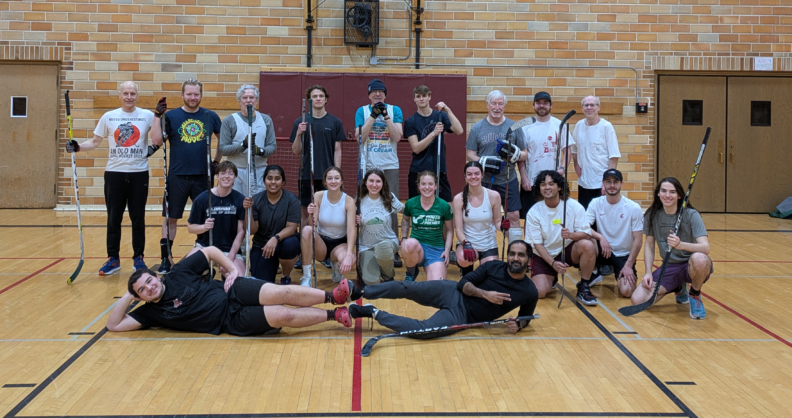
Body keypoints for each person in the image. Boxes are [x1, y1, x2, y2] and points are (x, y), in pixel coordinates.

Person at [106, 247, 358, 334]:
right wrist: (129, 294)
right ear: (140, 297)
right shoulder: (150, 313)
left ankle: (332, 297)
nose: (149, 288)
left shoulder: (178, 273)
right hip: (229, 321)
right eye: (142, 290)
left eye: (149, 281)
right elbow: (113, 326)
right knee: (284, 315)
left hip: (233, 291)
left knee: (282, 293)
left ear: (155, 276)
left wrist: (233, 271)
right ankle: (334, 316)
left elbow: (210, 251)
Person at [347, 240, 539, 338]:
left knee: (423, 331)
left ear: (528, 259)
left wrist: (519, 326)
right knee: (408, 287)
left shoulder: (530, 291)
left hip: (462, 317)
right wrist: (485, 294)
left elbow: (526, 318)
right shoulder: (493, 267)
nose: (515, 258)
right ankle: (361, 293)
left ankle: (372, 312)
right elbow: (464, 284)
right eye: (512, 254)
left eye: (520, 255)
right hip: (451, 291)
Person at [65, 81, 157, 275]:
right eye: (126, 93)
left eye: (132, 93)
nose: (129, 97)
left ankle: (138, 258)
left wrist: (152, 149)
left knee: (137, 217)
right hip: (114, 173)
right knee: (113, 218)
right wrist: (78, 146)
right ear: (119, 95)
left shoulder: (148, 116)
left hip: (139, 173)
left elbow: (159, 137)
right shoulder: (109, 116)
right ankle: (113, 259)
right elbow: (95, 141)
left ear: (137, 95)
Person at [150, 79, 223, 275]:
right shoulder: (171, 116)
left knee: (207, 218)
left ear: (201, 95)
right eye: (189, 94)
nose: (193, 97)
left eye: (196, 94)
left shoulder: (210, 116)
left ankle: (207, 257)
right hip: (177, 176)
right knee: (170, 218)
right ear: (182, 95)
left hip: (203, 176)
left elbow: (222, 140)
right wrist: (157, 115)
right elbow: (156, 140)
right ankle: (166, 259)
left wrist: (216, 161)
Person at [630, 177, 713, 319]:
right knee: (637, 300)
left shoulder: (691, 215)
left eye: (672, 192)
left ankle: (694, 294)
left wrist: (681, 245)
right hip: (670, 266)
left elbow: (705, 248)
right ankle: (678, 286)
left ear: (679, 195)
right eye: (664, 191)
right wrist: (648, 272)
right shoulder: (652, 215)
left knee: (700, 259)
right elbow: (649, 245)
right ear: (658, 193)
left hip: (691, 264)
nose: (667, 195)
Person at [524, 170, 598, 305]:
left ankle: (584, 286)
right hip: (544, 256)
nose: (547, 187)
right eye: (543, 184)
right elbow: (537, 245)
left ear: (559, 187)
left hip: (567, 251)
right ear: (539, 188)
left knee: (588, 244)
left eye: (551, 184)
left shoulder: (574, 206)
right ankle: (552, 277)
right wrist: (552, 263)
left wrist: (571, 235)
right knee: (539, 292)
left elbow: (586, 233)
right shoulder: (534, 212)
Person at [465, 90, 526, 246]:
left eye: (500, 104)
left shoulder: (514, 126)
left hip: (508, 179)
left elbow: (525, 153)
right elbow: (469, 153)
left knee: (513, 215)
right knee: (485, 216)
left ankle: (515, 253)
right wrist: (483, 162)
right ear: (487, 105)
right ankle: (486, 248)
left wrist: (516, 155)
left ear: (504, 106)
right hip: (484, 181)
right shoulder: (477, 128)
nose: (497, 107)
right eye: (494, 103)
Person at [355, 79, 405, 267]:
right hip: (367, 165)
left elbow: (397, 137)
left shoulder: (395, 110)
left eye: (380, 92)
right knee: (365, 206)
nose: (377, 94)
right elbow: (360, 138)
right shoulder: (362, 111)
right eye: (374, 92)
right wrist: (372, 116)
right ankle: (365, 245)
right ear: (369, 95)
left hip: (389, 165)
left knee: (390, 207)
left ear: (385, 94)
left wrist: (385, 116)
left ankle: (393, 248)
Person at [290, 85, 345, 229]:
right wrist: (298, 134)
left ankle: (326, 243)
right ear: (309, 100)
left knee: (329, 211)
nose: (318, 99)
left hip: (328, 176)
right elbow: (296, 151)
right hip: (307, 175)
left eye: (321, 96)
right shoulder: (300, 122)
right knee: (305, 211)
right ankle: (304, 245)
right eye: (314, 96)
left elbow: (337, 150)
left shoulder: (335, 122)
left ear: (326, 99)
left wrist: (336, 174)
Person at [585, 169, 643, 297]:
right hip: (603, 251)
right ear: (603, 184)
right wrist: (600, 237)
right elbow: (583, 227)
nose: (612, 185)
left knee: (627, 291)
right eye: (608, 181)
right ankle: (593, 273)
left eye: (615, 182)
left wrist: (629, 265)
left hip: (623, 254)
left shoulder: (633, 207)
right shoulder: (596, 203)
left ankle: (623, 271)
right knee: (585, 240)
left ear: (621, 184)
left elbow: (638, 240)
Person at [185, 161, 247, 280]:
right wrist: (204, 227)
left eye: (230, 174)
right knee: (187, 272)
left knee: (238, 279)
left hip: (229, 249)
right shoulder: (202, 199)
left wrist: (230, 257)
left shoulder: (240, 199)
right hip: (205, 246)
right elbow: (190, 228)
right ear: (217, 176)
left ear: (235, 177)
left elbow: (241, 232)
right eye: (223, 173)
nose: (226, 176)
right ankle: (206, 273)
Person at [403, 85, 464, 202]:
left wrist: (448, 110)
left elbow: (459, 130)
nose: (421, 99)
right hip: (418, 169)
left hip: (438, 168)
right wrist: (434, 133)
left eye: (424, 96)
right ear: (414, 99)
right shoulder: (410, 121)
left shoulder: (440, 116)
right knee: (416, 206)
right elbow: (416, 148)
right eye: (418, 96)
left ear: (429, 97)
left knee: (447, 204)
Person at [299, 167, 357, 287]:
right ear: (325, 182)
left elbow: (351, 230)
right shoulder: (318, 196)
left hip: (339, 244)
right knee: (306, 230)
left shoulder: (349, 201)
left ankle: (336, 266)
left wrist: (349, 254)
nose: (333, 181)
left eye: (337, 178)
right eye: (329, 178)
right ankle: (306, 277)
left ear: (342, 182)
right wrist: (310, 214)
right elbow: (312, 225)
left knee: (351, 261)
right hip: (322, 244)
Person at [245, 165, 301, 284]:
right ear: (264, 180)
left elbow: (291, 228)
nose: (273, 182)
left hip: (283, 241)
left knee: (291, 245)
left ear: (283, 181)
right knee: (261, 283)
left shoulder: (292, 200)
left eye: (277, 178)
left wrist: (275, 238)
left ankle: (285, 275)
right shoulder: (256, 200)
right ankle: (270, 266)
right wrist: (247, 210)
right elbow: (253, 230)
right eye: (269, 178)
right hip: (262, 245)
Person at [218, 84, 277, 197]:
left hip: (259, 170)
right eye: (244, 98)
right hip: (236, 171)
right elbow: (223, 149)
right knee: (238, 206)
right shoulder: (230, 120)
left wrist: (260, 151)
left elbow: (272, 146)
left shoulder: (266, 120)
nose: (248, 101)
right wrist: (242, 146)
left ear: (256, 100)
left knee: (257, 205)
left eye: (251, 97)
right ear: (239, 101)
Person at [516, 91, 566, 219]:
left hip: (553, 182)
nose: (542, 106)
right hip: (531, 182)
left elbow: (567, 150)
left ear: (551, 105)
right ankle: (529, 240)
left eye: (545, 103)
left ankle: (554, 239)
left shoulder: (559, 125)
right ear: (533, 105)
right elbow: (522, 155)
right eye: (538, 103)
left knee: (554, 215)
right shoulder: (525, 126)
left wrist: (562, 168)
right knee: (530, 216)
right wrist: (524, 178)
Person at [400, 171, 454, 282]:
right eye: (423, 184)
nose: (427, 187)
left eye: (430, 184)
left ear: (435, 186)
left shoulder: (444, 206)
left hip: (436, 249)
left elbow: (449, 230)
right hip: (417, 248)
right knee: (409, 244)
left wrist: (447, 250)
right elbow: (405, 220)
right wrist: (404, 238)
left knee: (437, 285)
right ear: (419, 186)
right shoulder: (411, 203)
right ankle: (411, 272)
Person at [569, 95, 621, 209]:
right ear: (582, 108)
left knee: (601, 220)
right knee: (586, 219)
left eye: (592, 105)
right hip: (584, 182)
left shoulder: (606, 127)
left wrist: (607, 181)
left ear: (599, 108)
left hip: (600, 183)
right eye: (586, 105)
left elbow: (614, 157)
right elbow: (574, 149)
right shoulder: (579, 125)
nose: (589, 108)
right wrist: (576, 164)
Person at [452, 161, 502, 277]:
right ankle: (466, 272)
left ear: (482, 174)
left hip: (488, 244)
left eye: (476, 173)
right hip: (468, 244)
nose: (473, 177)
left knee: (491, 272)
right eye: (469, 174)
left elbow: (497, 223)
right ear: (465, 176)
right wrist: (466, 243)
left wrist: (503, 226)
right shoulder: (458, 198)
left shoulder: (494, 195)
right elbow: (458, 230)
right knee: (463, 259)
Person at [356, 168, 404, 286]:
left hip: (387, 242)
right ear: (365, 182)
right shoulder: (358, 201)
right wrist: (354, 220)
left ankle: (388, 275)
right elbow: (348, 221)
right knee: (372, 282)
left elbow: (406, 211)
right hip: (367, 246)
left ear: (383, 183)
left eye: (378, 181)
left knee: (383, 250)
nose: (374, 185)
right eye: (371, 181)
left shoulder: (389, 198)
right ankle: (379, 267)